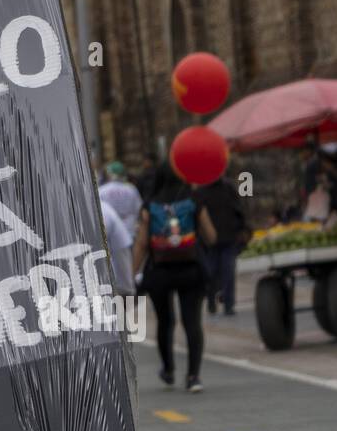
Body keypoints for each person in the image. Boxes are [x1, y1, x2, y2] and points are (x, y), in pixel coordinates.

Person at [133, 164, 211, 392]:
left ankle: (168, 369)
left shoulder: (150, 205)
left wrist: (133, 273)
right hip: (191, 270)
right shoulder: (194, 200)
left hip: (159, 271)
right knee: (192, 322)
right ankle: (193, 376)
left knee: (165, 322)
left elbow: (141, 244)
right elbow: (211, 235)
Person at [193, 172, 248, 316]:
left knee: (222, 271)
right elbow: (239, 209)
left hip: (223, 237)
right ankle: (216, 301)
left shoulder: (223, 188)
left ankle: (226, 303)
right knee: (216, 271)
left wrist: (241, 227)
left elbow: (238, 209)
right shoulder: (207, 190)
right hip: (213, 239)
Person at [99, 198, 135, 295]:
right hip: (109, 283)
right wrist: (128, 288)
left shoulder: (103, 208)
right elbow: (121, 250)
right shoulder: (105, 208)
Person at [99, 161, 143, 237]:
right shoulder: (131, 189)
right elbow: (139, 209)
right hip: (129, 230)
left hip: (110, 232)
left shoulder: (102, 190)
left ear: (110, 174)